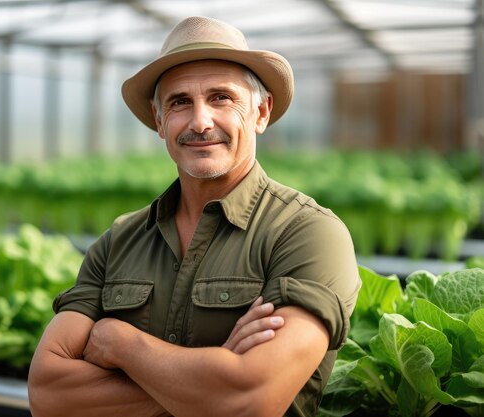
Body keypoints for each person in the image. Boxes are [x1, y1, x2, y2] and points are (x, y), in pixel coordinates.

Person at [28, 16, 361, 417]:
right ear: (159, 120)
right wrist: (215, 372)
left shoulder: (308, 233)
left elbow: (248, 400)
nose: (200, 122)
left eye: (221, 98)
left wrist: (120, 342)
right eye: (180, 102)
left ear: (261, 113)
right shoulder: (118, 241)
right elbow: (49, 395)